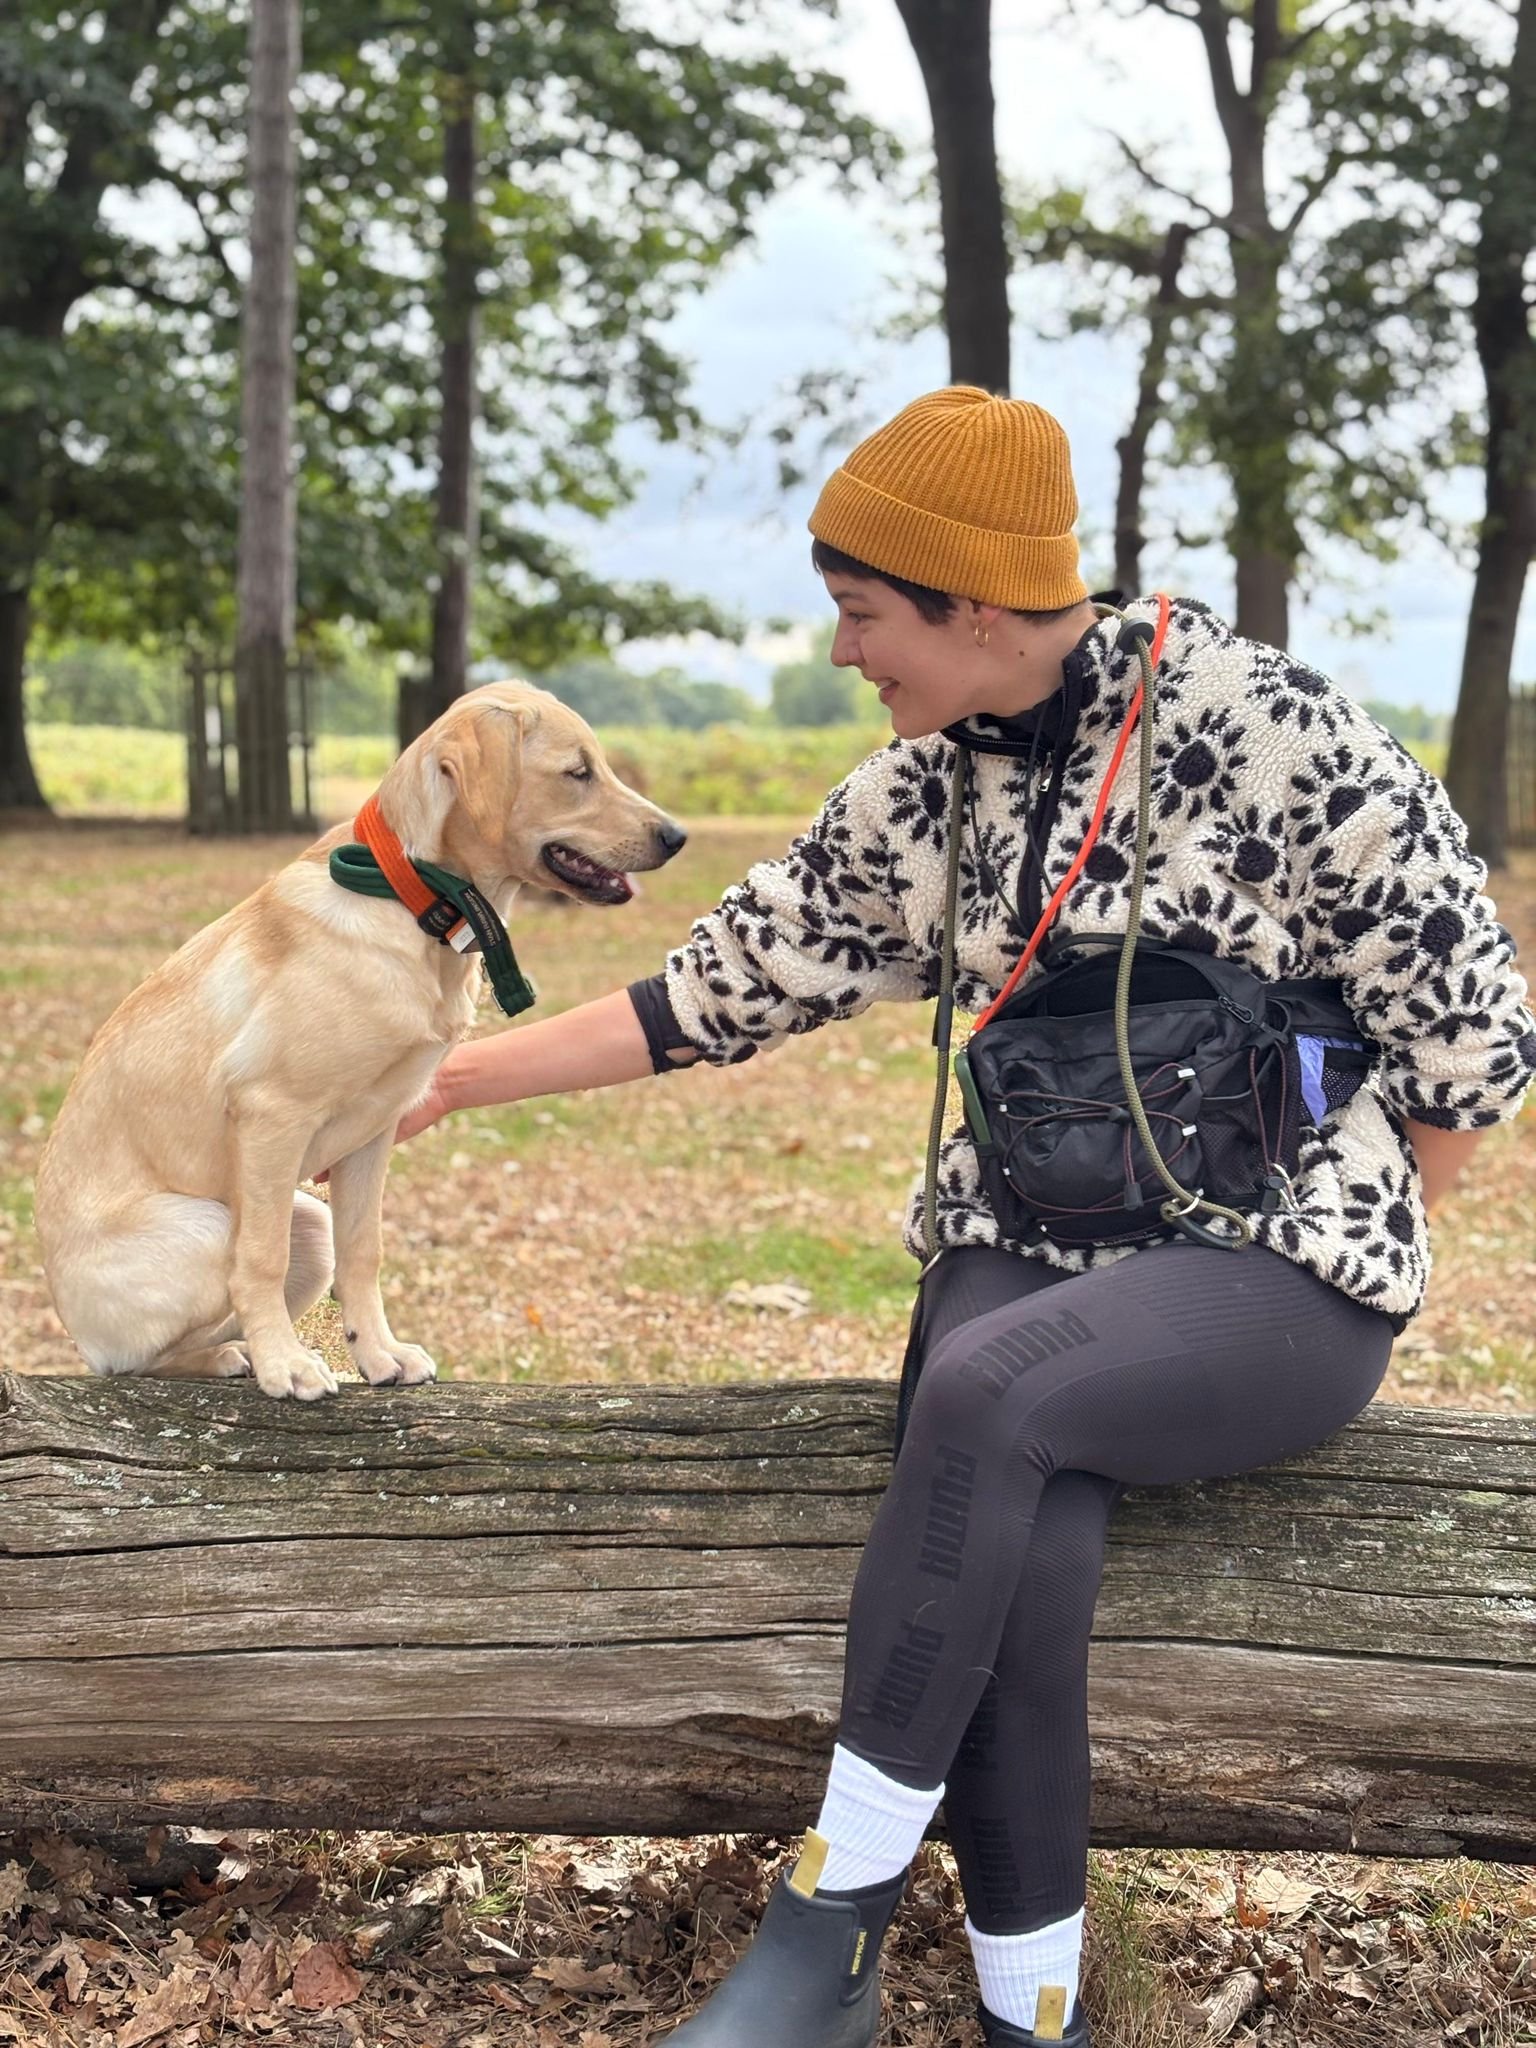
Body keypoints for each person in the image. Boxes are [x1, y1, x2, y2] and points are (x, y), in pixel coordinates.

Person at [395, 387, 1536, 2046]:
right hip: (1027, 1233)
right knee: (1025, 1555)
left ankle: (825, 1929)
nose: (847, 652)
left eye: (867, 614)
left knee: (988, 1391)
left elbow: (1469, 1025)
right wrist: (446, 1080)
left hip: (1269, 1263)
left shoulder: (1271, 726)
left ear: (979, 606)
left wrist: (1362, 1226)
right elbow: (719, 988)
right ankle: (1031, 2018)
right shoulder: (922, 789)